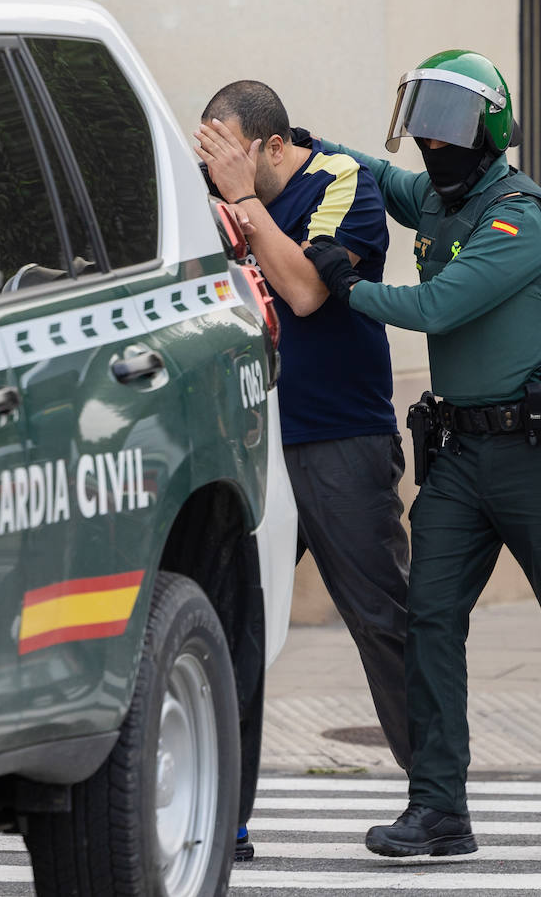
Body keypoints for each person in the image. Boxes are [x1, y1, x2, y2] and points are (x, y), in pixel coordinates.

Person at [296, 49, 541, 863]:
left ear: (491, 128)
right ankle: (439, 809)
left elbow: (439, 306)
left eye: (450, 124)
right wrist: (312, 147)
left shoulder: (518, 216)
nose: (432, 142)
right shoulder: (439, 198)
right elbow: (375, 171)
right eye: (425, 123)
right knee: (430, 620)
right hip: (462, 457)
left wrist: (345, 285)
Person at [192, 81, 412, 860]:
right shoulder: (220, 192)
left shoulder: (341, 181)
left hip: (338, 438)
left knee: (382, 622)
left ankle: (437, 797)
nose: (213, 166)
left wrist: (242, 202)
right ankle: (224, 816)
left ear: (271, 145)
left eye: (228, 150)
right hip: (245, 443)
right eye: (206, 151)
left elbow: (305, 291)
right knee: (223, 632)